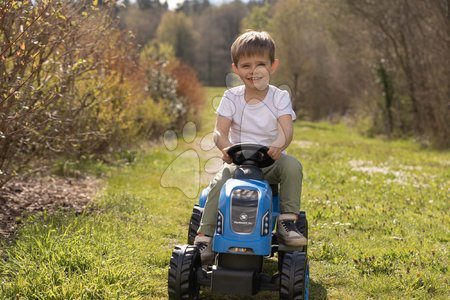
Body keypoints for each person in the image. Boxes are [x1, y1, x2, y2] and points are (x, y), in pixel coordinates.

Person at [194, 30, 307, 264]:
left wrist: (278, 144)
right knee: (218, 181)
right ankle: (205, 236)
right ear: (235, 69)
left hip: (271, 163)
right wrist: (226, 147)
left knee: (293, 167)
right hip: (239, 164)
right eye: (246, 65)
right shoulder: (231, 98)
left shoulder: (279, 97)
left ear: (272, 66)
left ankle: (287, 221)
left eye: (260, 65)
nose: (253, 71)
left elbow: (287, 130)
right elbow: (219, 132)